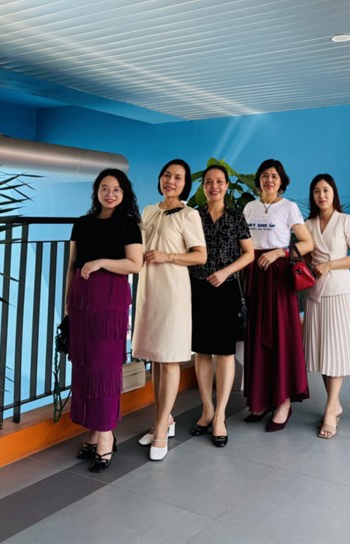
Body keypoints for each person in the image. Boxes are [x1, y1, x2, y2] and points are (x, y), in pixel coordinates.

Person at [65, 169, 143, 472]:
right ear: (96, 191)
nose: (110, 194)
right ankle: (94, 430)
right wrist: (67, 305)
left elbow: (134, 264)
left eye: (117, 189)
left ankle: (106, 434)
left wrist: (101, 262)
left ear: (124, 194)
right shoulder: (82, 223)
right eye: (105, 188)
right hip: (81, 301)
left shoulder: (128, 224)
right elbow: (72, 266)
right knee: (84, 367)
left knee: (105, 368)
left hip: (110, 301)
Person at [132, 159, 207, 461]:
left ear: (185, 184)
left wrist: (168, 256)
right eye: (166, 175)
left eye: (178, 177)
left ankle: (161, 426)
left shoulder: (189, 214)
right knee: (156, 359)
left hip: (173, 290)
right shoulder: (149, 210)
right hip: (148, 290)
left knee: (170, 356)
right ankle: (165, 418)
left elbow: (200, 256)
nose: (170, 181)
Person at [242, 159, 313, 431]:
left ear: (282, 181)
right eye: (264, 175)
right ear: (258, 180)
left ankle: (283, 402)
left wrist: (279, 252)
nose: (269, 180)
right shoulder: (250, 207)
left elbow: (307, 243)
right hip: (254, 274)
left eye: (274, 176)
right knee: (257, 335)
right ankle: (261, 399)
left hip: (279, 274)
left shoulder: (289, 207)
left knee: (281, 335)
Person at [189, 165, 254, 447]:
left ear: (227, 185)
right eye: (208, 182)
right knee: (202, 351)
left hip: (226, 289)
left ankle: (220, 416)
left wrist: (225, 271)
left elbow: (249, 254)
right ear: (203, 186)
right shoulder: (193, 216)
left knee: (225, 353)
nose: (214, 186)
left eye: (219, 181)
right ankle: (207, 410)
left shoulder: (237, 218)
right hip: (198, 289)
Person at [303, 174, 350, 439]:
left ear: (333, 193)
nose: (322, 195)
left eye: (326, 190)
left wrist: (330, 264)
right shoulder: (308, 224)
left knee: (336, 351)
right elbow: (306, 258)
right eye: (317, 191)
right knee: (324, 352)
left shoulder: (345, 220)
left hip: (340, 292)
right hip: (316, 293)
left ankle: (330, 410)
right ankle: (335, 404)